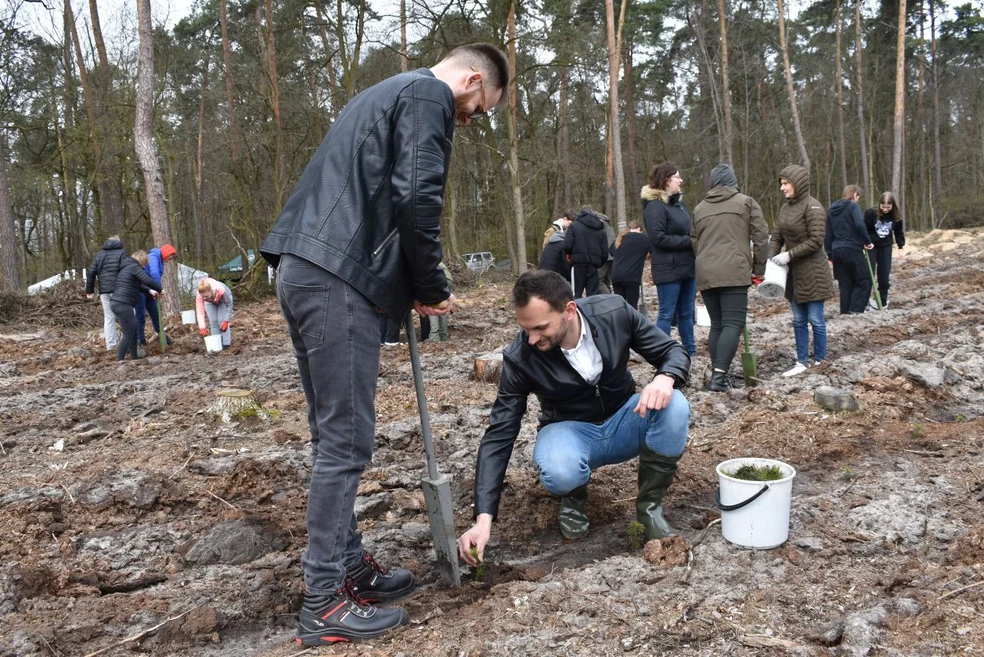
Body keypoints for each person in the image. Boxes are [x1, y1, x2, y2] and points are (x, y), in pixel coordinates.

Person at [260, 43, 509, 647]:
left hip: (306, 268)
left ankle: (346, 567)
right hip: (337, 279)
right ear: (471, 79)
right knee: (346, 442)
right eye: (477, 108)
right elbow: (417, 197)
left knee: (331, 436)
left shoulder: (380, 95)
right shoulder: (428, 94)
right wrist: (429, 284)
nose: (469, 120)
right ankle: (323, 600)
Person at [457, 270, 690, 563]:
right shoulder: (520, 358)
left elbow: (672, 350)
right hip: (569, 432)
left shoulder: (614, 312)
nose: (531, 338)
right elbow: (500, 433)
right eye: (526, 328)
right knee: (560, 470)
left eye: (540, 327)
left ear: (569, 310)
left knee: (675, 405)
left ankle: (649, 509)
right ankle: (574, 496)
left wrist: (665, 378)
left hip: (624, 419)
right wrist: (483, 518)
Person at [690, 164, 768, 393]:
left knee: (717, 324)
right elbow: (761, 237)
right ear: (733, 182)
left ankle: (717, 372)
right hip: (734, 270)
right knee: (733, 323)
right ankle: (719, 377)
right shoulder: (746, 202)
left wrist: (705, 261)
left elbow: (694, 241)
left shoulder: (699, 209)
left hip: (706, 271)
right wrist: (758, 268)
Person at [769, 165, 834, 377]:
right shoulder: (786, 208)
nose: (782, 187)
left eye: (786, 183)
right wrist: (770, 257)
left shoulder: (813, 207)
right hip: (794, 276)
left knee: (815, 319)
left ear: (798, 184)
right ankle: (802, 361)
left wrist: (789, 255)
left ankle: (820, 360)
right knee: (798, 320)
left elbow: (816, 240)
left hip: (813, 273)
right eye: (781, 183)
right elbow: (777, 235)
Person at [642, 162, 696, 356]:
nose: (681, 181)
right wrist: (689, 242)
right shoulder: (654, 207)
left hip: (687, 268)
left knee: (687, 314)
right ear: (666, 181)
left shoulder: (680, 205)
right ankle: (662, 353)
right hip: (668, 270)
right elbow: (658, 238)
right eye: (677, 177)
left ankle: (691, 352)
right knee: (666, 313)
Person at [825, 184, 874, 314]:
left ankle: (845, 313)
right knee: (864, 280)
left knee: (845, 284)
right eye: (858, 197)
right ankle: (855, 312)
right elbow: (859, 224)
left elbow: (828, 233)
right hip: (852, 249)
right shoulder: (853, 206)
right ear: (855, 195)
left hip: (836, 251)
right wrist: (867, 241)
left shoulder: (831, 210)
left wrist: (829, 253)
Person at [111, 250, 162, 362]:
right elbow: (147, 280)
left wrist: (150, 291)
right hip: (123, 304)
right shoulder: (134, 267)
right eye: (145, 264)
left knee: (133, 330)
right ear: (142, 261)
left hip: (118, 303)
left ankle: (134, 357)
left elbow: (140, 285)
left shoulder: (127, 267)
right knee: (128, 333)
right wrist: (160, 289)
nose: (145, 266)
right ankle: (120, 359)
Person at [84, 235, 127, 351]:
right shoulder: (122, 253)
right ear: (118, 242)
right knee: (124, 316)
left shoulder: (99, 255)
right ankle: (126, 343)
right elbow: (126, 270)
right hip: (120, 290)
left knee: (109, 318)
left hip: (105, 291)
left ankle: (110, 346)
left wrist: (90, 290)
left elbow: (91, 272)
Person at [864, 192, 905, 309]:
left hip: (886, 246)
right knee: (868, 273)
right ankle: (864, 302)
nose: (885, 209)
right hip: (871, 246)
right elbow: (864, 229)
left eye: (888, 207)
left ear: (893, 206)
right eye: (883, 207)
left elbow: (898, 232)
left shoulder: (896, 216)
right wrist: (864, 243)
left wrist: (900, 247)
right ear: (879, 205)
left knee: (884, 274)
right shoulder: (871, 213)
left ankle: (882, 301)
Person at [135, 243, 177, 347]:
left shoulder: (160, 260)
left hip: (150, 289)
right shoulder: (154, 256)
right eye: (169, 258)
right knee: (140, 316)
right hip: (141, 288)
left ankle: (162, 336)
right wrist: (159, 289)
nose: (168, 261)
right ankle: (140, 340)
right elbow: (154, 274)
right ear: (166, 253)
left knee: (155, 313)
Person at [563, 206, 608, 298]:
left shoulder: (574, 226)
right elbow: (605, 252)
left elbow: (567, 245)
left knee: (576, 293)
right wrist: (598, 262)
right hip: (593, 265)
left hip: (578, 264)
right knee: (592, 295)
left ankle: (578, 311)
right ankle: (591, 312)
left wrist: (569, 255)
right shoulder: (600, 228)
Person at [610, 220, 650, 311]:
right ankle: (631, 325)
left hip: (616, 277)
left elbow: (611, 252)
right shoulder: (643, 238)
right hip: (631, 277)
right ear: (639, 229)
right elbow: (652, 251)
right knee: (632, 307)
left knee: (620, 307)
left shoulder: (620, 238)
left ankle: (620, 324)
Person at [196, 278, 234, 348]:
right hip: (210, 302)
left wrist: (226, 320)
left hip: (222, 300)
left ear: (211, 291)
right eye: (203, 296)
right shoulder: (200, 295)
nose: (204, 298)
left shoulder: (222, 290)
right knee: (213, 321)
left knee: (221, 320)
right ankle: (217, 344)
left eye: (206, 296)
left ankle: (226, 343)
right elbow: (200, 311)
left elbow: (229, 305)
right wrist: (202, 327)